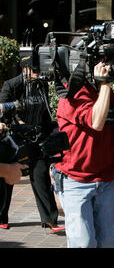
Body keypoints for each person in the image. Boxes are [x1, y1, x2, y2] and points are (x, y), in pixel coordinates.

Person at [52, 60, 114, 248]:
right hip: (76, 180)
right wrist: (105, 84)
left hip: (105, 180)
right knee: (83, 244)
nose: (106, 67)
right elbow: (96, 122)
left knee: (107, 243)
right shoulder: (71, 94)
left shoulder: (100, 91)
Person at [0, 67, 64, 232]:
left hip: (37, 136)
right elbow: (3, 109)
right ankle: (2, 217)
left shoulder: (41, 85)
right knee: (7, 178)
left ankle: (50, 220)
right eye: (34, 69)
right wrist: (19, 123)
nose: (38, 72)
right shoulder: (12, 85)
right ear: (25, 68)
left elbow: (45, 112)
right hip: (15, 138)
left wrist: (47, 129)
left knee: (41, 173)